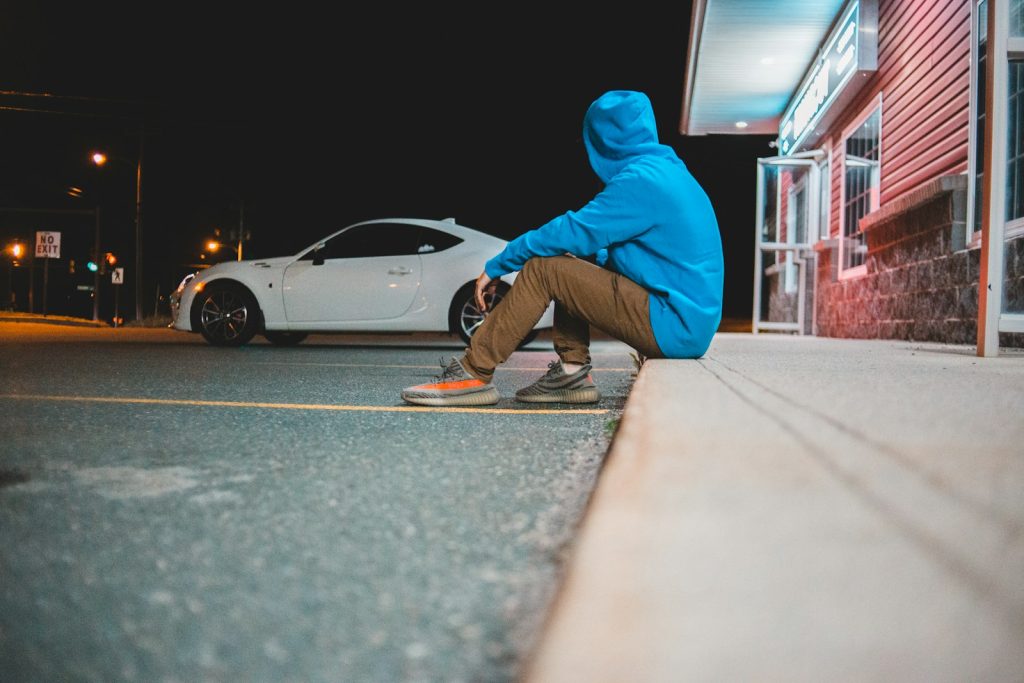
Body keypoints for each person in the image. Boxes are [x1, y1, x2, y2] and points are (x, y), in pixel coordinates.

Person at [401, 89, 724, 407]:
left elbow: (571, 230)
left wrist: (499, 264)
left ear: (601, 139)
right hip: (684, 321)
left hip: (673, 325)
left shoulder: (642, 181)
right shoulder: (667, 172)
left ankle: (473, 372)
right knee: (567, 265)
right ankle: (572, 374)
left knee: (546, 268)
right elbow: (617, 251)